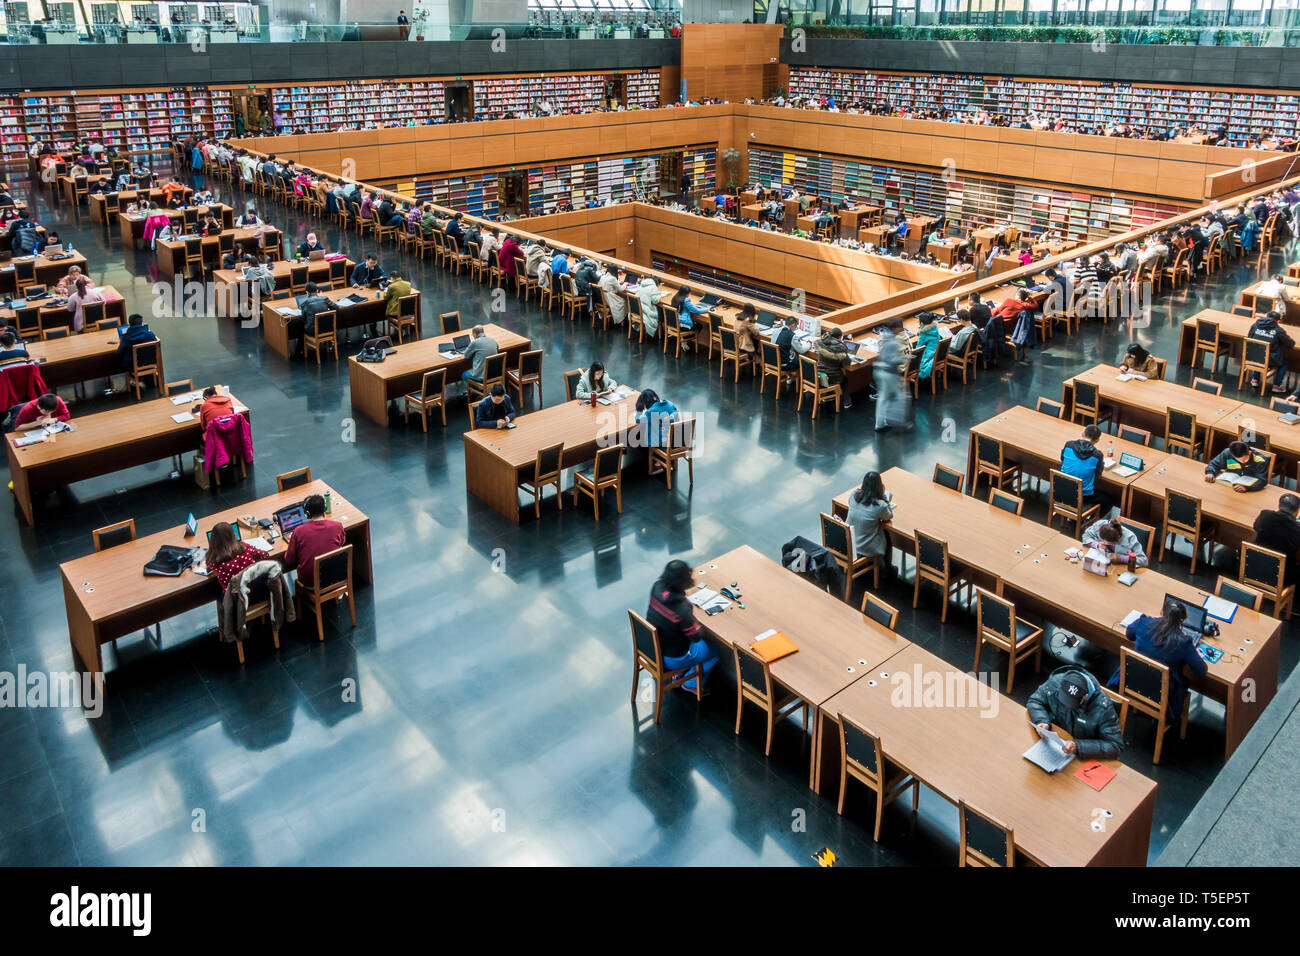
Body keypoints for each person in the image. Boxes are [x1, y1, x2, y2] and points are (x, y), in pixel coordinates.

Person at [1107, 600, 1207, 723]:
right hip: (1161, 696)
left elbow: (1129, 634)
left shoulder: (1144, 622)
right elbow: (1201, 670)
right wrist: (1196, 653)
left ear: (1162, 612)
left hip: (1132, 682)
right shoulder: (1183, 643)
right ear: (1182, 621)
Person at [646, 559, 718, 695]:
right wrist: (696, 623)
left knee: (684, 639)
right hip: (670, 659)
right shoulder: (681, 608)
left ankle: (680, 674)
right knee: (713, 650)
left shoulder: (656, 587)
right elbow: (696, 637)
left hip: (652, 648)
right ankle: (691, 683)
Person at [1027, 666, 1125, 758]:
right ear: (1061, 686)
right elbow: (1035, 701)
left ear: (1085, 696)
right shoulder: (1055, 682)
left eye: (1073, 702)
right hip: (1058, 740)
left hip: (1082, 753)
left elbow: (1115, 745)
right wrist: (1041, 720)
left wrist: (1078, 746)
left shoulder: (1103, 708)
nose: (1067, 705)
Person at [283, 493, 346, 590]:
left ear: (307, 514)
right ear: (325, 509)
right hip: (336, 577)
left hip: (311, 583)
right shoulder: (338, 526)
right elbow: (341, 543)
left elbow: (289, 561)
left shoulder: (298, 531)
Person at [846, 471, 895, 575]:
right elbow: (889, 516)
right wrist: (884, 497)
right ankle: (888, 570)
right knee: (887, 535)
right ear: (880, 487)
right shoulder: (880, 505)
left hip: (849, 542)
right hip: (865, 547)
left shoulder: (853, 495)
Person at [1060, 424, 1112, 514]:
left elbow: (1062, 459)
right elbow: (1098, 473)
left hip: (1063, 488)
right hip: (1083, 495)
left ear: (1083, 433)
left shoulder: (1069, 445)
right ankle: (1090, 522)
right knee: (1108, 500)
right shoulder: (1097, 455)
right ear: (1097, 440)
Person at [1253, 493, 1300, 584]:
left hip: (1255, 568)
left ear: (1279, 506)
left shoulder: (1264, 515)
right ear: (1297, 511)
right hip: (1281, 578)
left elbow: (1256, 527)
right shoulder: (1297, 529)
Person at [874, 318, 910, 432]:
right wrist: (905, 359)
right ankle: (900, 422)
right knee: (899, 398)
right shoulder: (902, 339)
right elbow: (893, 359)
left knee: (883, 398)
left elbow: (883, 353)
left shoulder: (886, 339)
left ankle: (880, 424)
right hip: (891, 373)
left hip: (882, 370)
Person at [205, 522, 260, 594]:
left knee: (214, 589)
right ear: (233, 535)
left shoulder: (214, 561)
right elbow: (265, 554)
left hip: (235, 599)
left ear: (213, 542)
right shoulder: (245, 547)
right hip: (257, 591)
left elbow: (208, 568)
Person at [1246, 310, 1294, 392]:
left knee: (1259, 353)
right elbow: (1290, 344)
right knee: (1284, 363)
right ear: (1277, 321)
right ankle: (1276, 385)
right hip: (1270, 359)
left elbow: (1249, 337)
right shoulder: (1278, 330)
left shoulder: (1255, 325)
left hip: (1253, 356)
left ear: (1266, 316)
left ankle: (1255, 379)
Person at [1204, 440, 1270, 492]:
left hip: (1247, 491)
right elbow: (1214, 464)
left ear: (1249, 452)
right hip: (1228, 488)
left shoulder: (1261, 460)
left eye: (1245, 460)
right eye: (1238, 460)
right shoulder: (1227, 453)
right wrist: (1210, 472)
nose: (1243, 462)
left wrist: (1247, 487)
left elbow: (1262, 480)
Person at [1081, 517, 1148, 567]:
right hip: (1102, 565)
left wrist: (1121, 558)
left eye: (1109, 543)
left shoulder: (1130, 538)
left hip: (1120, 568)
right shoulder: (1099, 525)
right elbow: (1086, 536)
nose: (1105, 544)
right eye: (1102, 540)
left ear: (1118, 537)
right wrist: (1097, 544)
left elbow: (1144, 560)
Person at [812, 326, 852, 408]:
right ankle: (847, 402)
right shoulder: (841, 347)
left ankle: (827, 396)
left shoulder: (821, 342)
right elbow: (847, 362)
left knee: (830, 372)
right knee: (844, 380)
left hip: (818, 373)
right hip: (831, 376)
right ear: (840, 337)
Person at [915, 311, 940, 380]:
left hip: (930, 354)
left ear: (922, 323)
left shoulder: (923, 333)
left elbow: (918, 348)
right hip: (938, 353)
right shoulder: (934, 327)